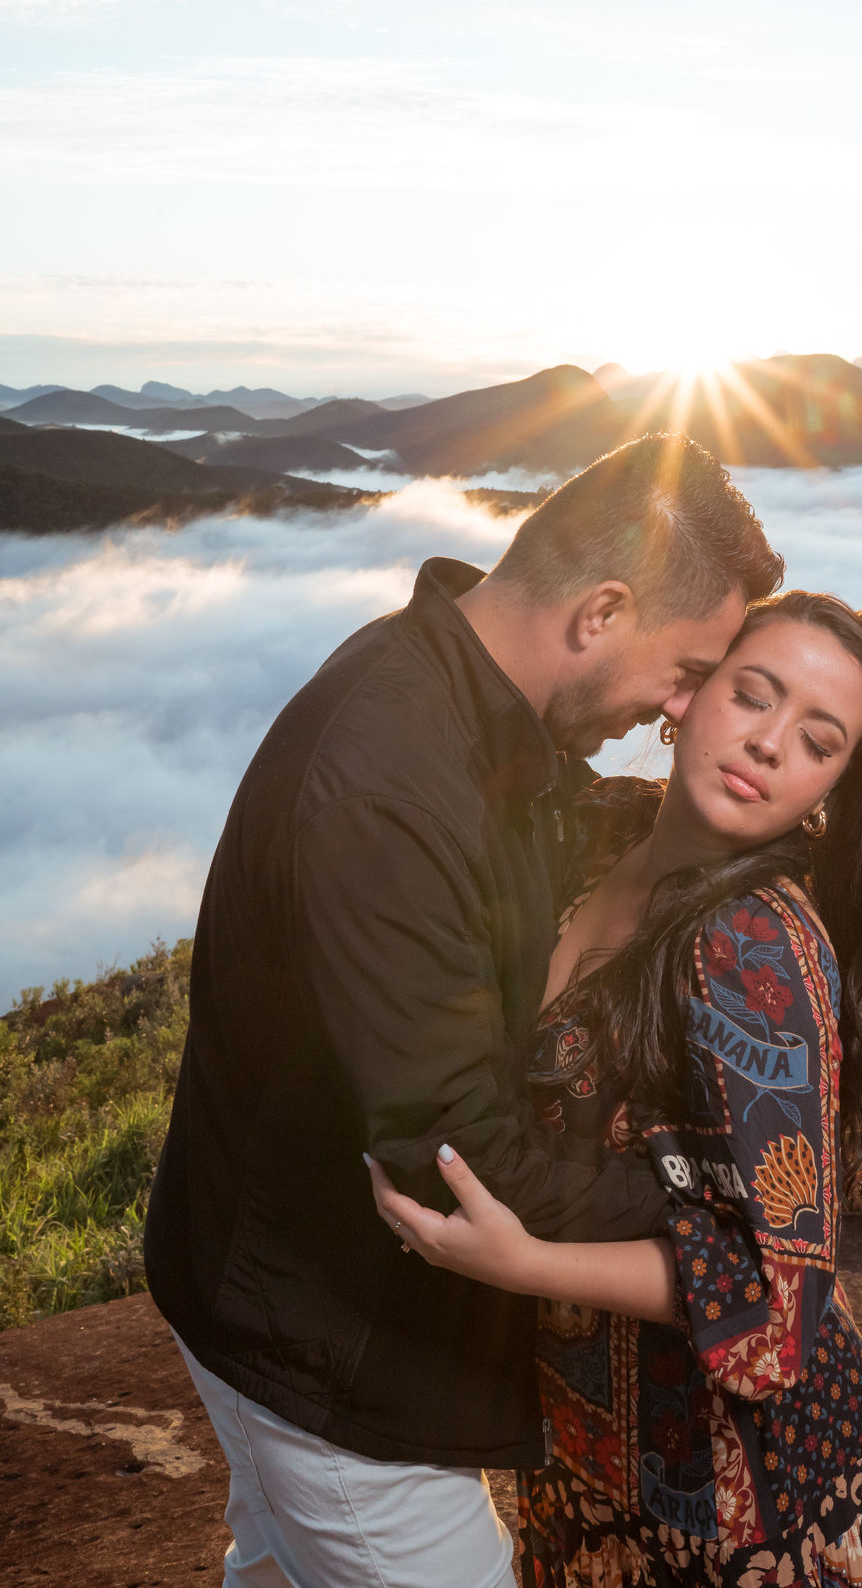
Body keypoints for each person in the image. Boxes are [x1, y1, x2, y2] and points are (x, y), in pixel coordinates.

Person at [370, 587, 862, 1586]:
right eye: (751, 695)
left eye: (817, 741)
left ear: (831, 786)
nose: (767, 745)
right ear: (685, 693)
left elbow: (779, 1302)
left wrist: (518, 1263)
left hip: (743, 1505)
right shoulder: (594, 838)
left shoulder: (751, 943)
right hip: (588, 1455)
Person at [145, 433, 785, 1588]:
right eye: (687, 671)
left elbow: (525, 825)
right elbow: (461, 1157)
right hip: (326, 1349)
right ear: (600, 613)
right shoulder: (389, 781)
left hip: (263, 1294)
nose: (676, 713)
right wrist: (704, 1188)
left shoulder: (454, 700)